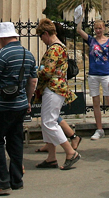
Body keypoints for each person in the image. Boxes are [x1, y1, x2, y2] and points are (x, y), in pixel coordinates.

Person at [0, 22, 38, 196]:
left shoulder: (2, 54)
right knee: (15, 142)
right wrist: (28, 100)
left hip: (2, 105)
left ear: (3, 37)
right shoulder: (28, 54)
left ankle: (1, 183)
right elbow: (33, 81)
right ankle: (16, 180)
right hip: (20, 104)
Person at [34, 18, 82, 170]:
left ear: (46, 33)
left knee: (49, 122)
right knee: (47, 121)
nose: (41, 40)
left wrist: (35, 72)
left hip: (53, 88)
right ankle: (51, 157)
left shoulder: (54, 49)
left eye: (41, 36)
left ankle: (70, 152)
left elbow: (47, 72)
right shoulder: (61, 46)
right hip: (57, 88)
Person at [76, 18, 109, 140]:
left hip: (105, 74)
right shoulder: (91, 40)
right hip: (93, 74)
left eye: (100, 28)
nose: (98, 30)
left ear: (104, 28)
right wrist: (79, 18)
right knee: (96, 102)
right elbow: (79, 30)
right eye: (96, 28)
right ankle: (99, 129)